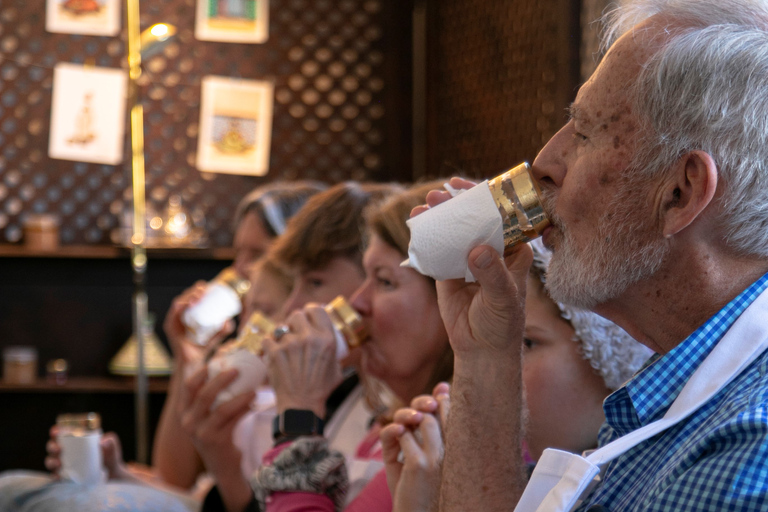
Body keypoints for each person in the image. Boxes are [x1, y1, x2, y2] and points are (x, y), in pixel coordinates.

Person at [424, 1, 768, 510]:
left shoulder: (747, 445)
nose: (544, 162)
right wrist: (486, 356)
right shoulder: (674, 391)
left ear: (680, 193)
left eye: (584, 133)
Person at [184, 181, 453, 512]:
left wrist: (299, 415)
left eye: (383, 281)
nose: (357, 303)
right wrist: (222, 459)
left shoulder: (441, 430)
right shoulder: (370, 405)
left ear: (450, 299)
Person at [377, 241, 652, 511]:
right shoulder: (528, 482)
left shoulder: (634, 494)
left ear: (608, 356)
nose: (498, 367)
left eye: (527, 343)